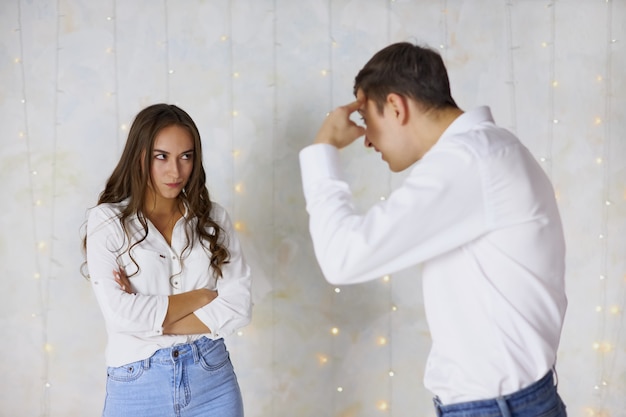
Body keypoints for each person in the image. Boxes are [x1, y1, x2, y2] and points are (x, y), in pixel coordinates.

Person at [299, 42, 568, 416]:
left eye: (367, 116)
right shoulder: (492, 150)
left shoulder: (468, 161)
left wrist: (322, 150)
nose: (366, 138)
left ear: (396, 106)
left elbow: (343, 258)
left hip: (498, 408)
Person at [82, 103, 252, 417]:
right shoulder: (106, 222)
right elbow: (121, 317)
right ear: (140, 156)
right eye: (162, 156)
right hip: (136, 388)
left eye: (186, 156)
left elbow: (239, 308)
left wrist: (147, 318)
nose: (176, 171)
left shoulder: (214, 219)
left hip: (212, 381)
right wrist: (201, 297)